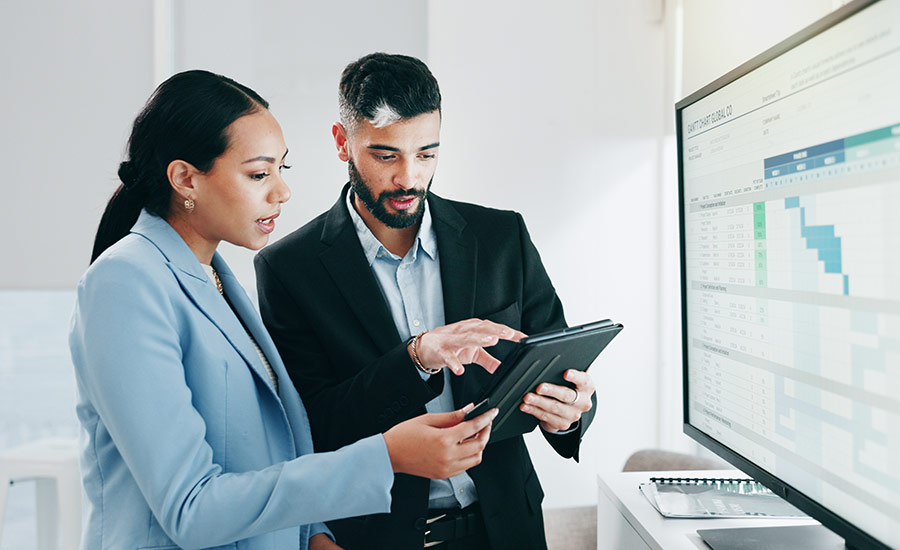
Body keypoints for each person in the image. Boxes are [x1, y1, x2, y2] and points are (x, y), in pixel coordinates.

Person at [68, 69, 511, 550]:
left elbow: (270, 449)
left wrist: (313, 535)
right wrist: (385, 457)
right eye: (259, 174)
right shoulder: (126, 282)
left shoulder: (216, 277)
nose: (282, 192)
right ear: (184, 179)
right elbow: (190, 507)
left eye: (283, 169)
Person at [254, 53, 598, 549]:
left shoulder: (502, 238)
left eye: (427, 154)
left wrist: (574, 411)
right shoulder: (288, 270)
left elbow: (559, 366)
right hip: (375, 537)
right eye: (386, 155)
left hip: (506, 529)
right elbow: (312, 426)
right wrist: (415, 358)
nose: (408, 178)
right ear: (341, 142)